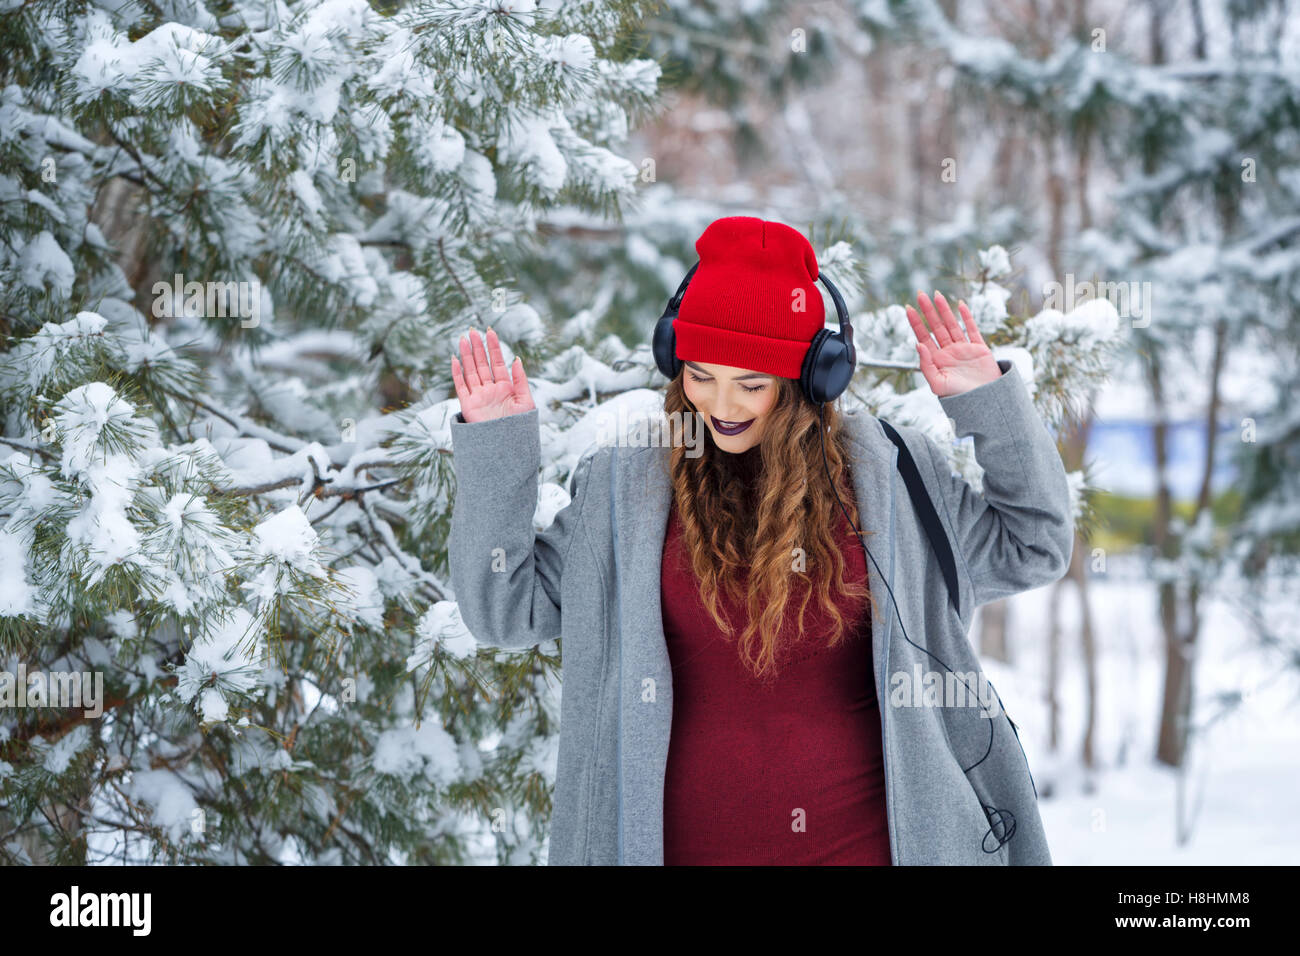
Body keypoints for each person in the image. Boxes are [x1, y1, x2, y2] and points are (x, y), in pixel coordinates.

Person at [447, 216, 1075, 866]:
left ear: (813, 380)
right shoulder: (623, 487)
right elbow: (504, 608)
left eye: (751, 383)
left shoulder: (893, 475)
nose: (721, 403)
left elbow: (1035, 543)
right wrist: (497, 447)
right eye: (700, 375)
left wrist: (989, 407)